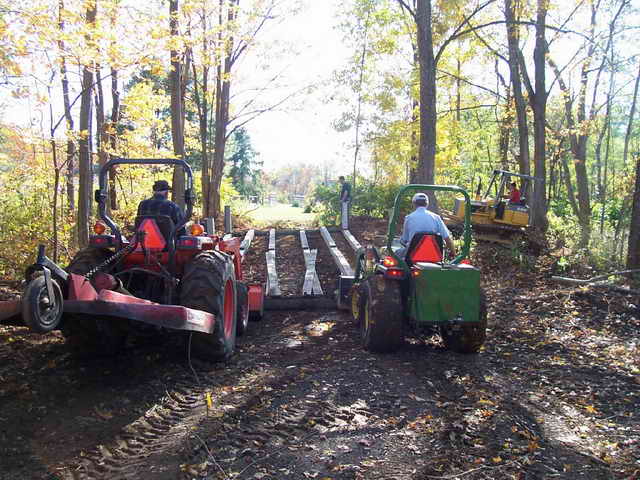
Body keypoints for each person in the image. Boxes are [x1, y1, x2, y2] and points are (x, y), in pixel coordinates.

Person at [398, 192, 456, 259]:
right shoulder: (436, 218)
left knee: (397, 253)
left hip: (413, 257)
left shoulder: (409, 218)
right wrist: (453, 253)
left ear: (414, 203)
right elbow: (447, 238)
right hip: (434, 257)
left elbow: (404, 240)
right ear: (427, 204)